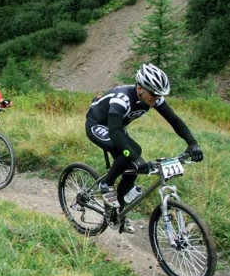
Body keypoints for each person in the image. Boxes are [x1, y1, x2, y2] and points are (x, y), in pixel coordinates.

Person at [86, 63, 204, 233]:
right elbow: (114, 132)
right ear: (140, 88)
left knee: (131, 172)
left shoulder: (154, 97)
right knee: (133, 154)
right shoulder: (122, 99)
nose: (157, 98)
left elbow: (175, 121)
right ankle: (106, 183)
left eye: (160, 95)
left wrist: (192, 143)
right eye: (154, 94)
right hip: (98, 125)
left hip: (116, 127)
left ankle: (118, 215)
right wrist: (134, 156)